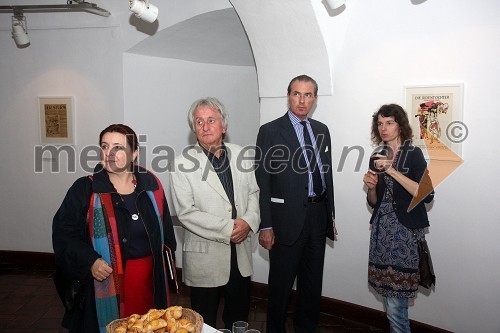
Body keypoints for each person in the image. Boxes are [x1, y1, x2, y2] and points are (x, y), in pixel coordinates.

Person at [52, 124, 176, 333]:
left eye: (118, 147)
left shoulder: (152, 184)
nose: (109, 153)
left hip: (149, 283)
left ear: (134, 153)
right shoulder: (85, 189)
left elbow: (166, 233)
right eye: (104, 146)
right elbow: (64, 235)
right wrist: (89, 260)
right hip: (106, 285)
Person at [169, 97, 260, 329]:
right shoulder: (181, 164)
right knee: (204, 323)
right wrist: (230, 228)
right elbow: (186, 213)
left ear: (224, 126)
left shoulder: (242, 155)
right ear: (193, 128)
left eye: (211, 120)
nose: (205, 126)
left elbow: (254, 194)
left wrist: (248, 222)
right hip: (204, 259)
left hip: (240, 256)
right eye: (199, 121)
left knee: (238, 320)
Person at [255, 75, 335, 333]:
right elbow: (262, 181)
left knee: (312, 286)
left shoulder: (322, 130)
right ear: (288, 96)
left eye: (308, 95)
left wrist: (329, 217)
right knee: (280, 287)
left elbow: (326, 176)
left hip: (317, 216)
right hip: (285, 220)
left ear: (315, 98)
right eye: (297, 94)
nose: (302, 100)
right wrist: (265, 225)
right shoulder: (270, 131)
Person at [363, 104, 434, 333]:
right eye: (380, 123)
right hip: (382, 233)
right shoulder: (378, 155)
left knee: (396, 306)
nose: (383, 128)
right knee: (389, 299)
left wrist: (392, 170)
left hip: (404, 235)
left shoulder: (412, 154)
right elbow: (374, 201)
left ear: (400, 125)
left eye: (389, 122)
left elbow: (426, 194)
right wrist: (371, 187)